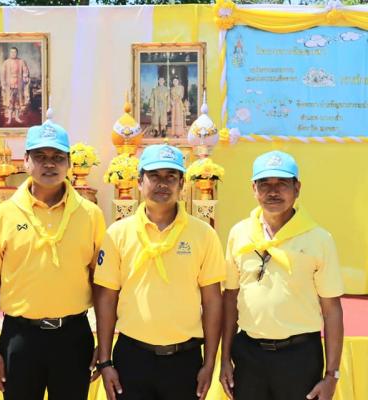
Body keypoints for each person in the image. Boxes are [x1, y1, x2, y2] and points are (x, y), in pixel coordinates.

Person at [0, 120, 105, 400]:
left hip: (73, 337)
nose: (49, 164)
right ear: (26, 162)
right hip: (20, 337)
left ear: (69, 163)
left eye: (58, 157)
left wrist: (103, 347)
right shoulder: (1, 216)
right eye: (40, 156)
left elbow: (102, 284)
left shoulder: (90, 215)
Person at [93, 144, 226, 400]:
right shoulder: (118, 233)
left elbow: (212, 301)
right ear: (139, 182)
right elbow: (107, 299)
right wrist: (106, 361)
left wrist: (209, 363)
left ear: (182, 183)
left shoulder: (204, 234)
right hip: (132, 358)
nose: (162, 184)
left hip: (184, 360)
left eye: (171, 177)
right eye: (154, 176)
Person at [220, 150, 344, 400]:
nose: (273, 191)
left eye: (282, 183)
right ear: (253, 189)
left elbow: (331, 310)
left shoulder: (319, 238)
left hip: (299, 357)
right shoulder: (239, 233)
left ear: (297, 188)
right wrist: (225, 360)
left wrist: (332, 375)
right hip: (249, 354)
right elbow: (230, 298)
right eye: (264, 184)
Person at [0, 46, 30, 125]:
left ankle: (17, 117)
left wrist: (25, 76)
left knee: (17, 102)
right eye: (12, 52)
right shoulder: (6, 62)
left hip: (18, 86)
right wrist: (3, 84)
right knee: (10, 102)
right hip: (9, 86)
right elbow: (2, 75)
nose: (13, 53)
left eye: (15, 52)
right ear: (10, 53)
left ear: (17, 53)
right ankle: (9, 119)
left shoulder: (21, 61)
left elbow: (25, 71)